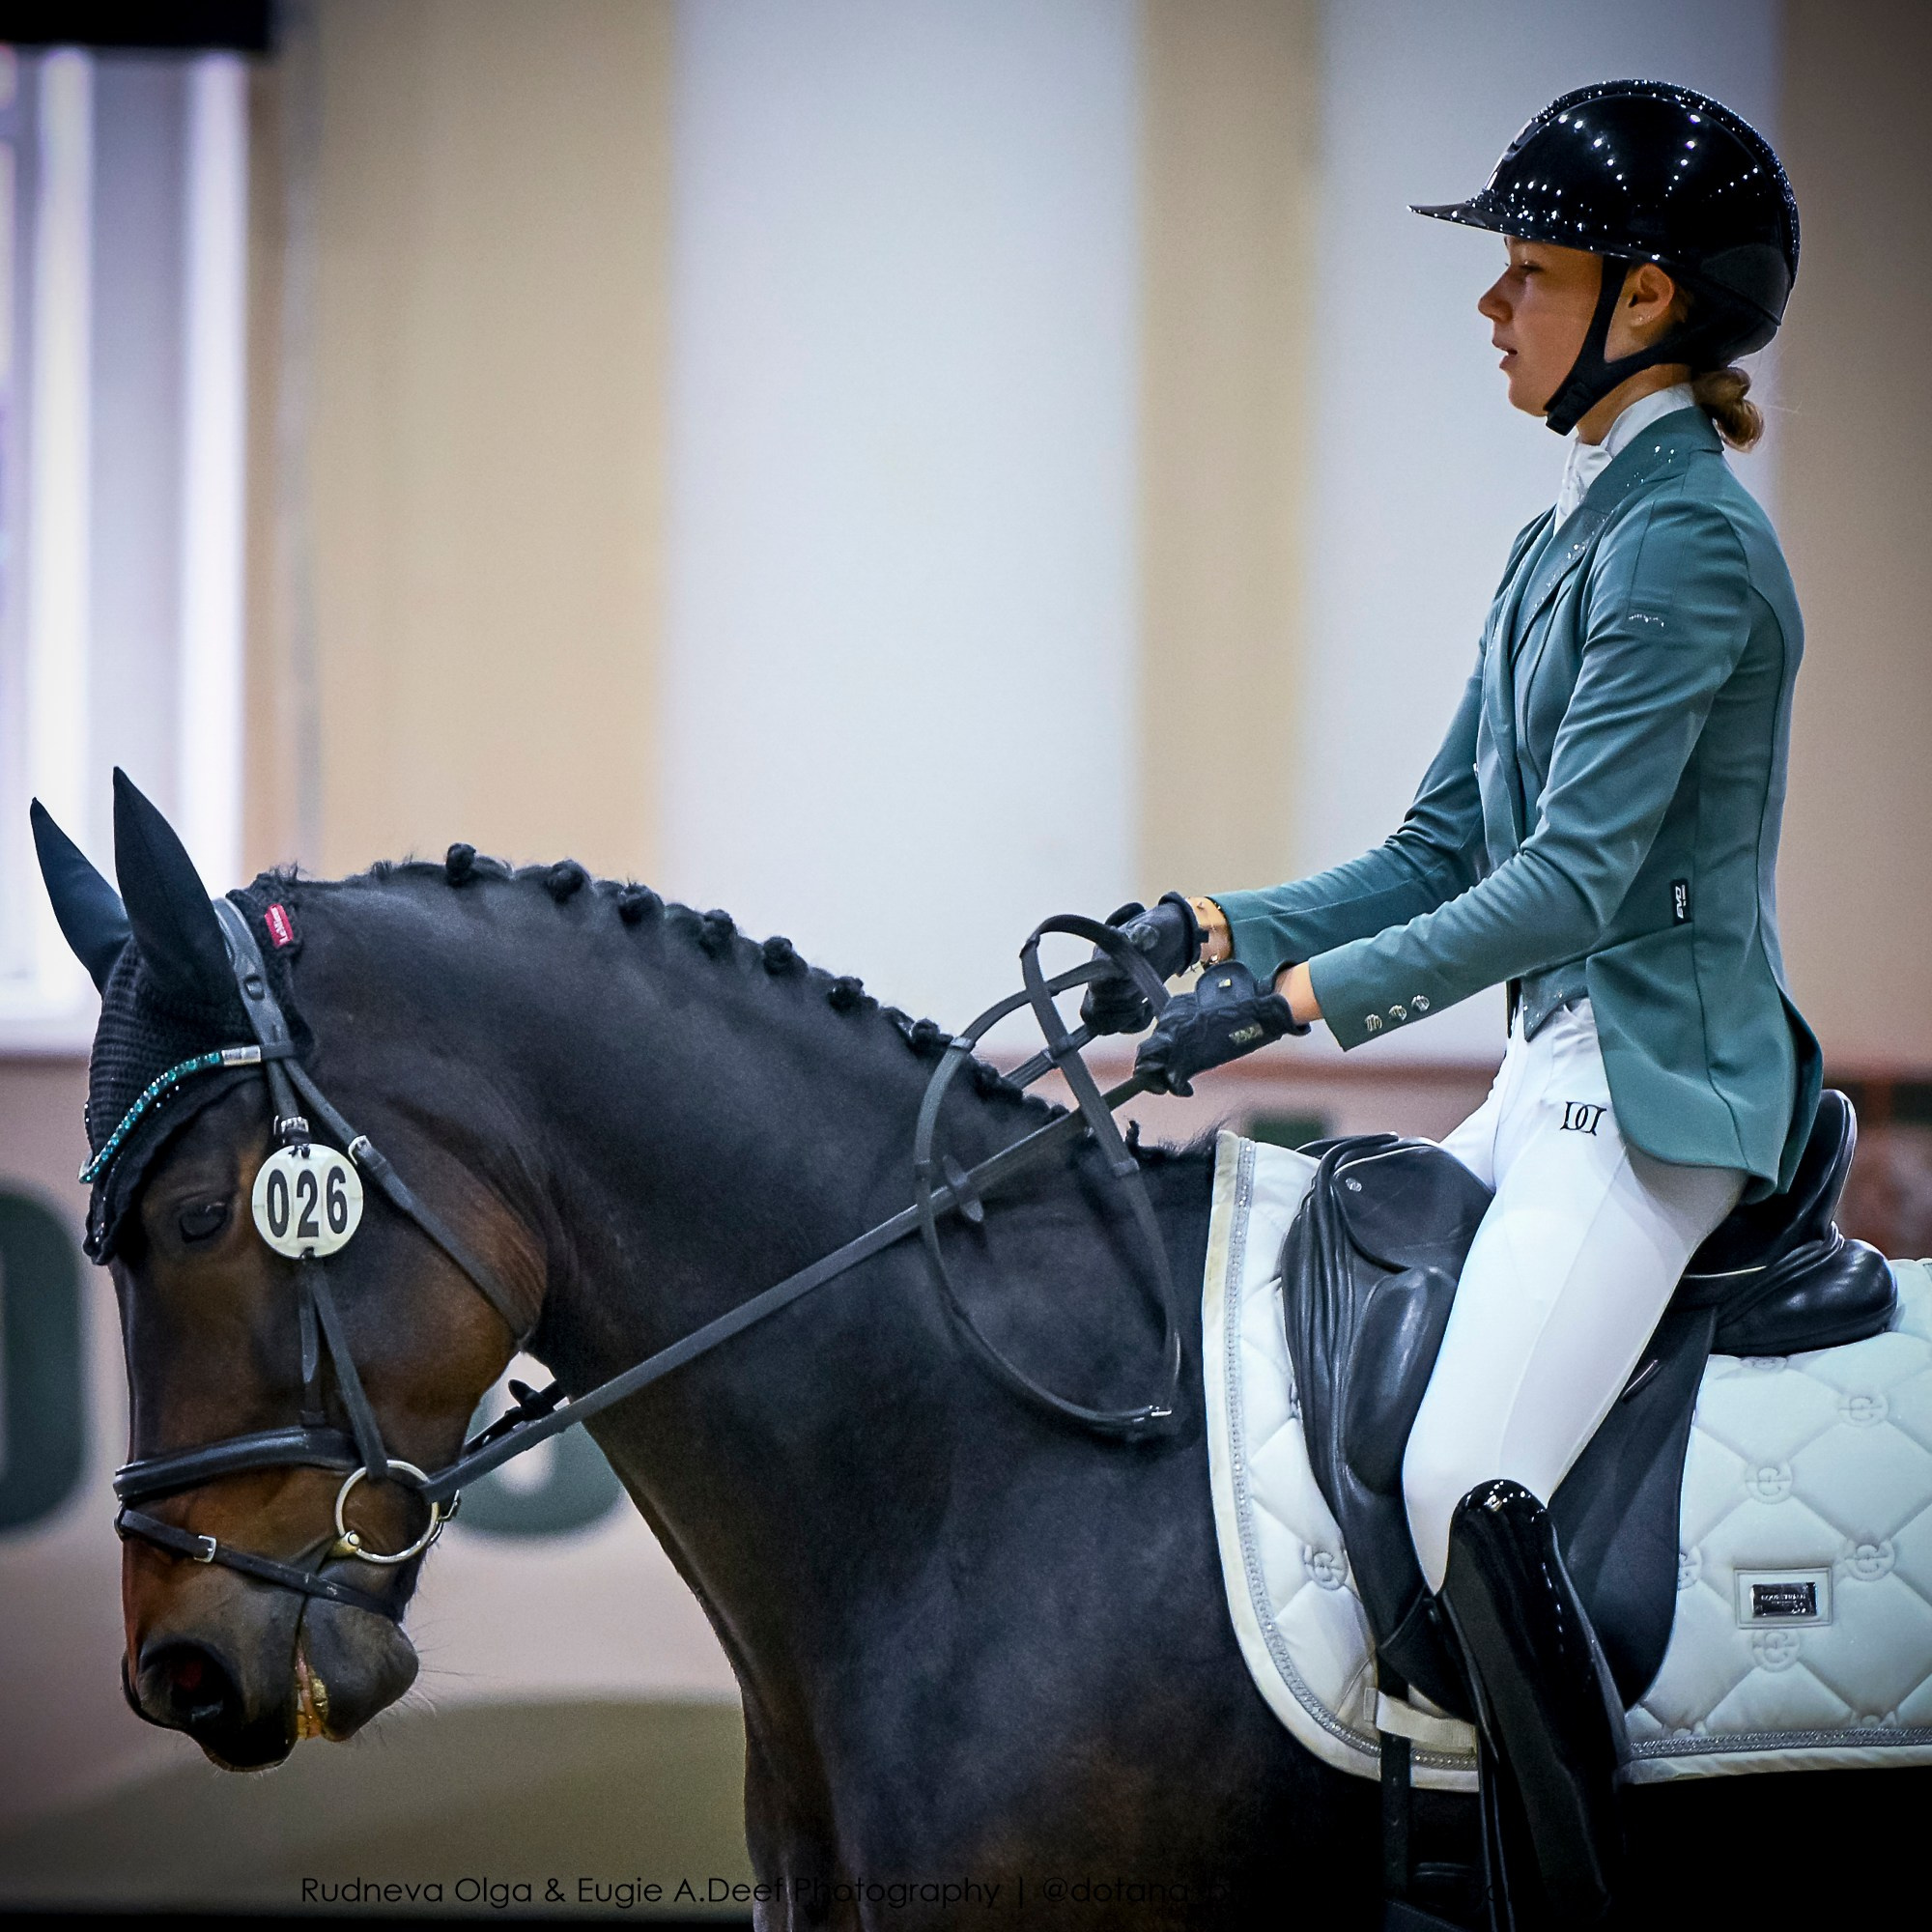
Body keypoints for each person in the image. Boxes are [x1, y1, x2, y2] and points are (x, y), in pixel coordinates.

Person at [1092, 80, 1812, 1924]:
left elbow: (1569, 884)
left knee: (1463, 1476)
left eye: (1530, 270)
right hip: (1553, 1074)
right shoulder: (1567, 536)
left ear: (1645, 302)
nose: (1493, 307)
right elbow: (1440, 844)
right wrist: (1218, 923)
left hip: (1657, 1096)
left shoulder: (1688, 546)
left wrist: (1295, 1004)